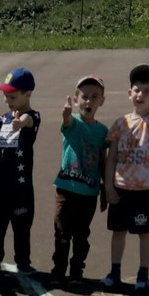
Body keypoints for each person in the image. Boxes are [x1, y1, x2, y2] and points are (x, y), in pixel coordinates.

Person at [102, 64, 149, 290]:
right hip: (121, 188)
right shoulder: (120, 123)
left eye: (147, 91)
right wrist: (108, 187)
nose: (140, 95)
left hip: (146, 191)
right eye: (137, 90)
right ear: (129, 92)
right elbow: (112, 158)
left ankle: (143, 273)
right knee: (118, 231)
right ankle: (115, 271)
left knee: (145, 233)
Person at [51, 75, 109, 282]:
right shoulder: (73, 122)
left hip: (89, 192)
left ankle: (77, 269)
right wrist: (66, 114)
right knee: (61, 230)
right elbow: (66, 122)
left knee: (81, 234)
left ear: (101, 101)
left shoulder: (102, 131)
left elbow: (103, 160)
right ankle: (59, 268)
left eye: (94, 97)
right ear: (76, 100)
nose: (89, 101)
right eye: (84, 97)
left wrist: (106, 188)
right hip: (66, 188)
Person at [0, 67, 40, 276]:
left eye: (12, 96)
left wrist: (21, 122)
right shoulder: (1, 119)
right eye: (6, 96)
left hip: (20, 187)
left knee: (21, 227)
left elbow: (29, 121)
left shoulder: (33, 116)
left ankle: (23, 262)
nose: (7, 100)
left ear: (28, 94)